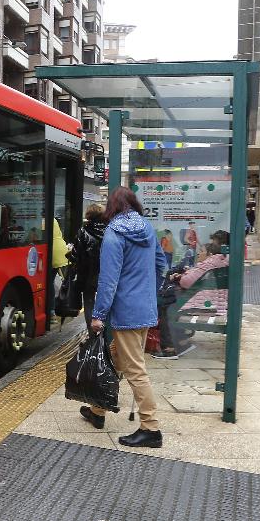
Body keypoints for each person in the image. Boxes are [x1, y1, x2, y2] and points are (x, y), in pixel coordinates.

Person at [80, 187, 165, 449]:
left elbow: (108, 280)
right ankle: (97, 411)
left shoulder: (114, 234)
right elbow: (161, 264)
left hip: (126, 312)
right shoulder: (148, 229)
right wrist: (149, 291)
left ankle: (151, 428)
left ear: (112, 207)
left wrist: (98, 315)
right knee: (115, 357)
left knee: (135, 370)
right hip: (145, 309)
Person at [68, 204, 106, 313]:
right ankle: (103, 327)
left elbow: (75, 254)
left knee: (89, 302)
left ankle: (91, 329)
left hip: (87, 274)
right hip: (105, 273)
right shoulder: (109, 230)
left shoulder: (83, 231)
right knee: (106, 300)